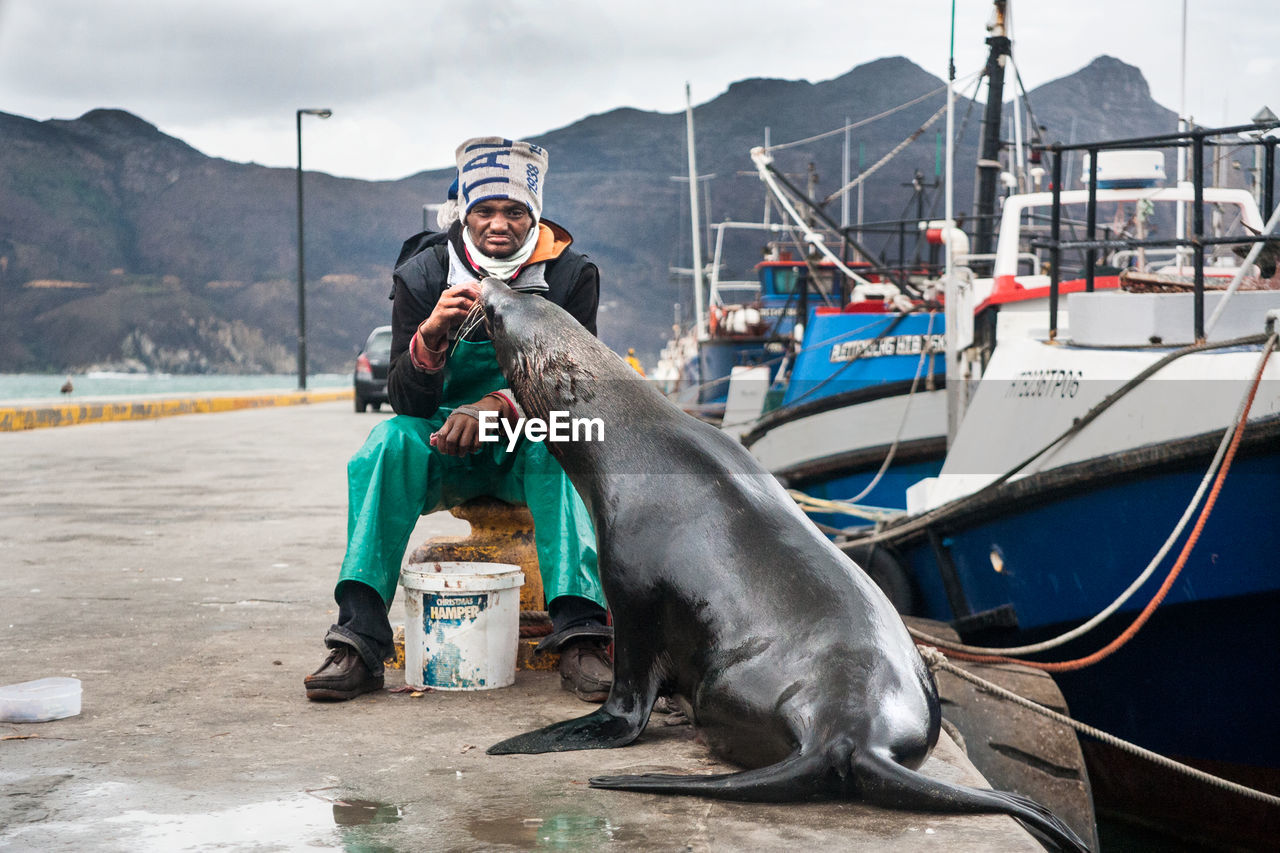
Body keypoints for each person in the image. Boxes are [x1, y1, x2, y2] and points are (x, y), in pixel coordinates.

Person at [305, 137, 612, 703]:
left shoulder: (569, 275)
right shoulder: (424, 274)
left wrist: (503, 404)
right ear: (464, 214)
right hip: (444, 441)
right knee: (386, 445)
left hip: (524, 436)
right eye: (485, 211)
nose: (499, 224)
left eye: (515, 211)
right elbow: (407, 404)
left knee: (565, 440)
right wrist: (430, 336)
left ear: (534, 214)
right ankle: (358, 641)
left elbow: (580, 386)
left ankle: (581, 637)